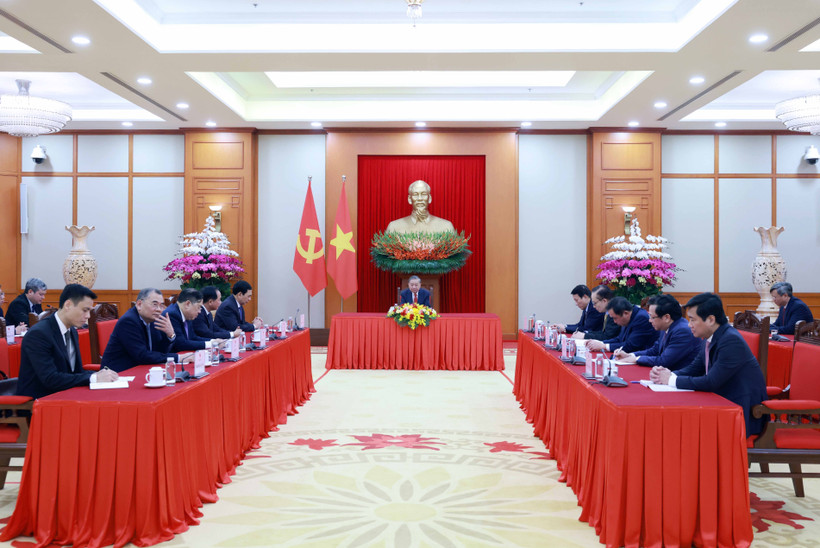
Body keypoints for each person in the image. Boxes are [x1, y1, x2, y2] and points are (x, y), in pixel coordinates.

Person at [650, 292, 768, 437]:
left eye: (693, 320)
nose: (689, 325)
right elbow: (695, 368)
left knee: (682, 428)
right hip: (721, 402)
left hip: (741, 411)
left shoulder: (730, 340)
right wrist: (667, 374)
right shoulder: (712, 336)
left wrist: (670, 380)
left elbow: (711, 382)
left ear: (711, 320)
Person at [17, 284, 118, 399]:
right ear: (68, 305)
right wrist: (93, 378)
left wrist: (99, 374)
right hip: (39, 402)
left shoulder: (72, 331)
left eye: (90, 311)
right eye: (85, 310)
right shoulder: (39, 334)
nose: (88, 316)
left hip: (65, 395)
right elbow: (50, 379)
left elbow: (75, 372)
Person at [101, 288, 185, 372]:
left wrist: (170, 335)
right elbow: (142, 355)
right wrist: (178, 358)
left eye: (161, 305)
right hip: (117, 374)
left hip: (141, 369)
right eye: (155, 304)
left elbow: (158, 352)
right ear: (139, 304)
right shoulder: (129, 321)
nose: (159, 309)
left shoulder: (153, 320)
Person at [614, 294, 702, 371]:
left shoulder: (682, 331)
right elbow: (654, 350)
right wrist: (630, 355)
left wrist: (636, 359)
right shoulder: (667, 326)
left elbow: (664, 361)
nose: (649, 320)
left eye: (652, 317)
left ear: (666, 317)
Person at [586, 296, 658, 354]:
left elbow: (631, 346)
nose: (614, 321)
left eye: (615, 318)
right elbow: (620, 339)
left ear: (625, 313)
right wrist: (600, 343)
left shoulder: (641, 318)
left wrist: (604, 346)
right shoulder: (628, 317)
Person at [385, 180, 456, 234]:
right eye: (415, 194)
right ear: (410, 199)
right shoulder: (394, 227)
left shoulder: (446, 227)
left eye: (424, 194)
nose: (420, 198)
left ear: (429, 198)